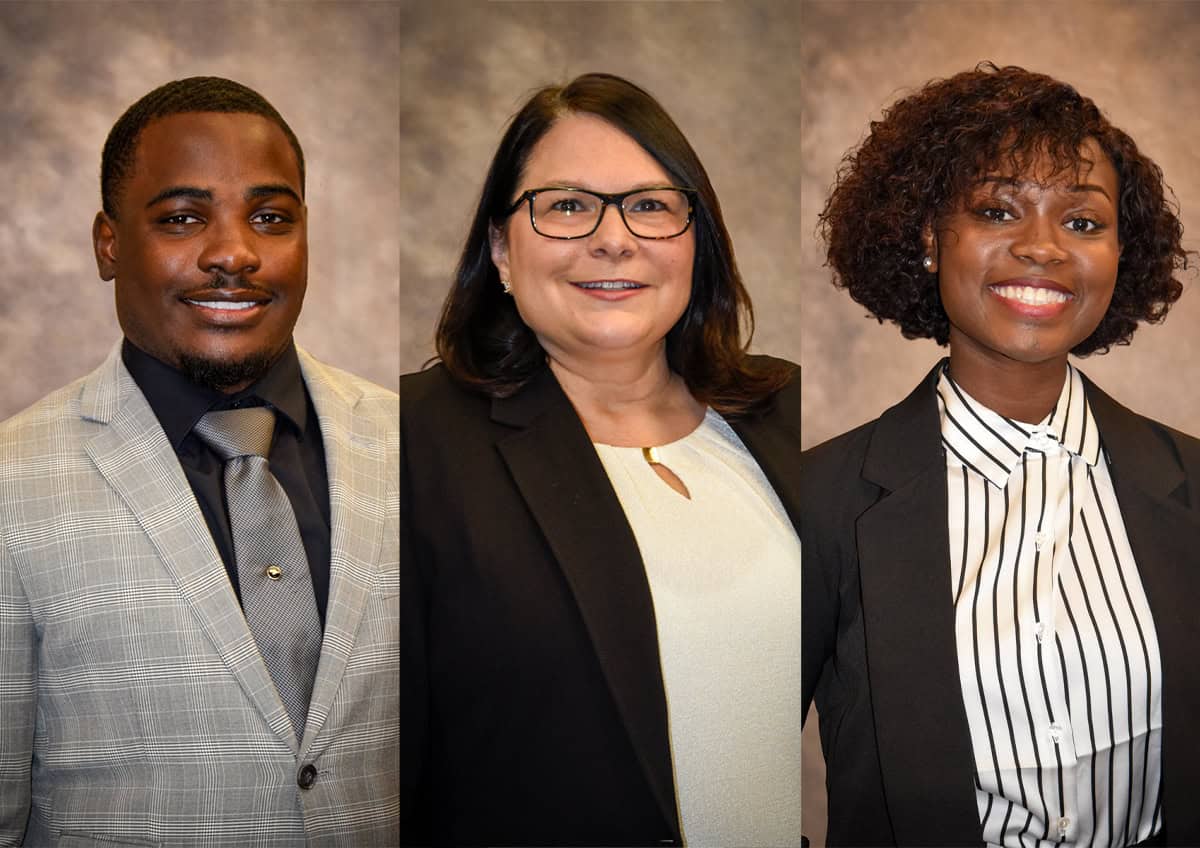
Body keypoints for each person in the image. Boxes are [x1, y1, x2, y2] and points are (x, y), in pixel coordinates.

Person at [401, 72, 801, 846]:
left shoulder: (786, 412)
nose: (613, 238)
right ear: (501, 251)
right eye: (567, 206)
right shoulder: (411, 443)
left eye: (650, 205)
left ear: (696, 241)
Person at [802, 62, 1196, 847]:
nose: (1043, 248)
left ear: (1120, 255)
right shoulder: (820, 500)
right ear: (926, 236)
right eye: (996, 209)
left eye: (1082, 222)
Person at [0, 77, 398, 846]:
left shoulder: (415, 446)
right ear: (108, 243)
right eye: (183, 218)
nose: (234, 253)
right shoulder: (13, 484)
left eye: (270, 218)